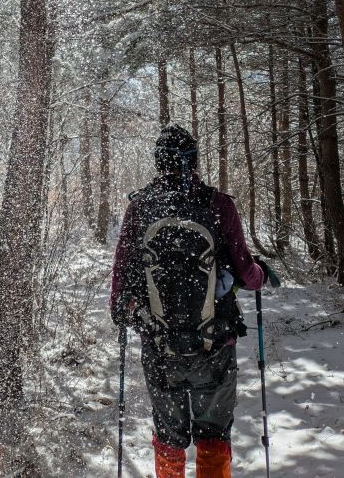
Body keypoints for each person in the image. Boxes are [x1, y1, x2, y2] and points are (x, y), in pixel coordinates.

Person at [110, 125, 270, 478]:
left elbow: (118, 298)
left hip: (160, 349)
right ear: (193, 161)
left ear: (158, 162)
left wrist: (140, 314)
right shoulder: (218, 205)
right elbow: (247, 275)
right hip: (214, 345)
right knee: (213, 436)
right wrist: (261, 273)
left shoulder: (140, 209)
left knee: (169, 438)